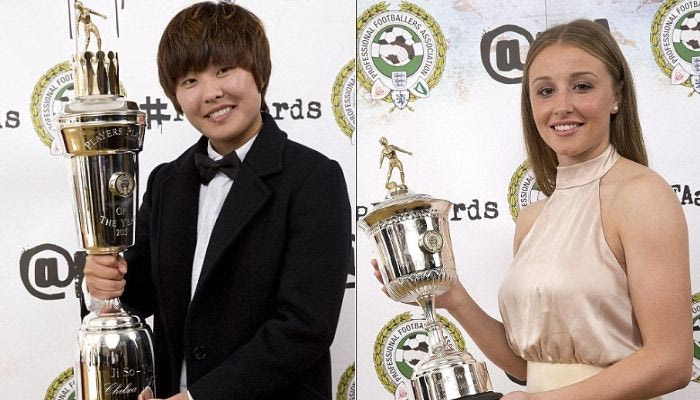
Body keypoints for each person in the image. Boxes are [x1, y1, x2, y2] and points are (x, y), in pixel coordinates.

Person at [373, 19, 691, 399]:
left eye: (582, 86)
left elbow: (671, 361)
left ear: (616, 97)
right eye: (545, 91)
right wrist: (453, 296)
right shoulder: (532, 218)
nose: (562, 106)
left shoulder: (643, 195)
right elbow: (527, 365)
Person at [83, 2, 351, 399]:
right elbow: (136, 295)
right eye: (190, 80)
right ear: (176, 97)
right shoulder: (165, 182)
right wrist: (101, 286)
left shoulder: (313, 178)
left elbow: (304, 327)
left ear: (259, 72)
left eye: (224, 70)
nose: (211, 93)